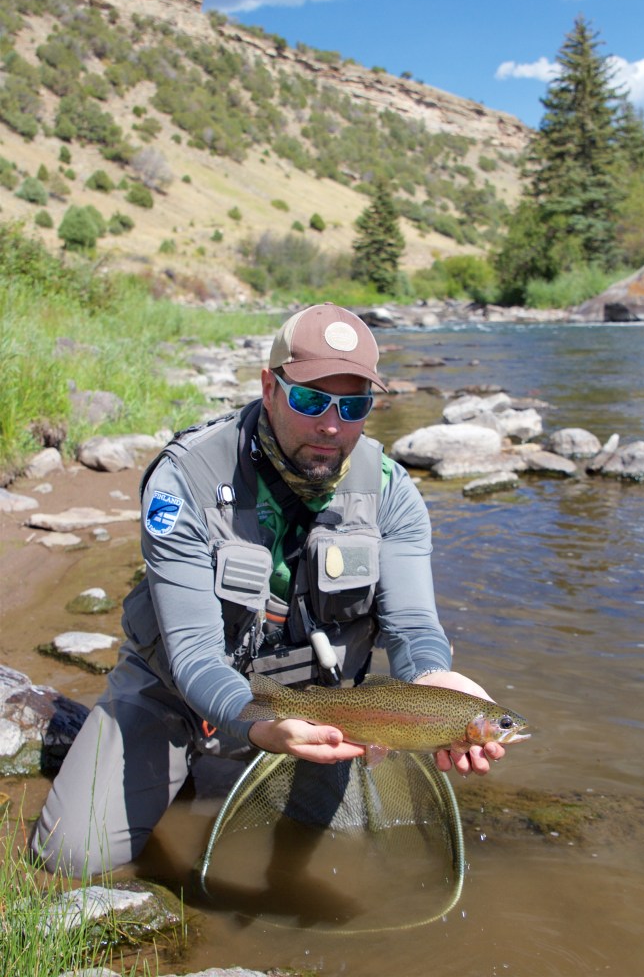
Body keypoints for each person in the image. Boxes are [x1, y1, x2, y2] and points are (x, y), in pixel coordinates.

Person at [31, 302, 505, 876]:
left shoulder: (390, 490)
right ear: (269, 386)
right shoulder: (186, 480)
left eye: (353, 405)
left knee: (346, 854)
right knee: (70, 857)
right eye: (309, 399)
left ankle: (209, 774)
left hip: (327, 712)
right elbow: (195, 658)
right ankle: (194, 760)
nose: (331, 425)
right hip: (176, 698)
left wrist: (433, 680)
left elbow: (413, 629)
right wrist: (257, 723)